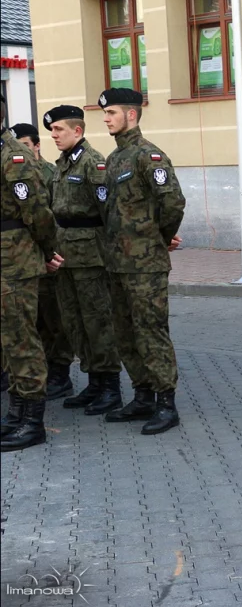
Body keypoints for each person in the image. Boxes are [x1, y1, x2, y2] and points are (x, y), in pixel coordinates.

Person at [95, 88, 187, 434]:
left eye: (112, 113)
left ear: (131, 115)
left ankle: (166, 403)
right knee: (125, 332)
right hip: (117, 264)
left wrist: (158, 239)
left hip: (146, 265)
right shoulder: (114, 158)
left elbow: (173, 202)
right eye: (105, 113)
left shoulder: (149, 156)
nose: (106, 118)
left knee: (151, 331)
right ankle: (143, 395)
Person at [43, 105, 124, 415]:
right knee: (75, 322)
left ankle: (110, 387)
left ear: (77, 131)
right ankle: (94, 381)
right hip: (66, 255)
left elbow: (109, 212)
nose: (53, 135)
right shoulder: (62, 164)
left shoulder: (93, 163)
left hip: (91, 256)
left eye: (59, 129)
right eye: (52, 130)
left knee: (98, 321)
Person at [0, 92, 62, 452]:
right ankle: (16, 413)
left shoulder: (15, 157)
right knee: (7, 341)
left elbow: (38, 213)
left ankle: (32, 422)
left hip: (15, 259)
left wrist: (48, 250)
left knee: (22, 338)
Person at [11, 122, 74, 400]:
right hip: (24, 256)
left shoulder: (50, 172)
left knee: (53, 318)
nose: (21, 151)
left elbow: (48, 216)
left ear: (37, 146)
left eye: (26, 145)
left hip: (49, 254)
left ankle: (60, 372)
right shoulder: (14, 170)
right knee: (32, 320)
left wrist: (50, 252)